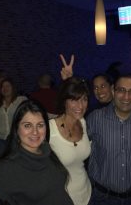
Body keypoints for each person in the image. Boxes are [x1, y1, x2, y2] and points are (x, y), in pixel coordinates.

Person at [0, 100, 74, 205]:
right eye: (27, 125)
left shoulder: (46, 151)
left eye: (40, 125)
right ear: (17, 129)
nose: (35, 132)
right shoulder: (7, 168)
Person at [87, 74, 131, 205]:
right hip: (103, 198)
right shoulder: (95, 118)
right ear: (113, 91)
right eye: (121, 90)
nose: (126, 97)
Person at [49, 76, 91, 205]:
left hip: (86, 194)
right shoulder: (49, 129)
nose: (80, 105)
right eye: (74, 100)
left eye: (84, 99)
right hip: (60, 198)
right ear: (64, 101)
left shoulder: (83, 123)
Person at [0, 78, 27, 156]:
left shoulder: (21, 100)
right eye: (2, 86)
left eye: (7, 86)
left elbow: (31, 113)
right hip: (0, 138)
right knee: (4, 162)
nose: (5, 88)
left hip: (16, 138)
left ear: (13, 87)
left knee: (16, 161)